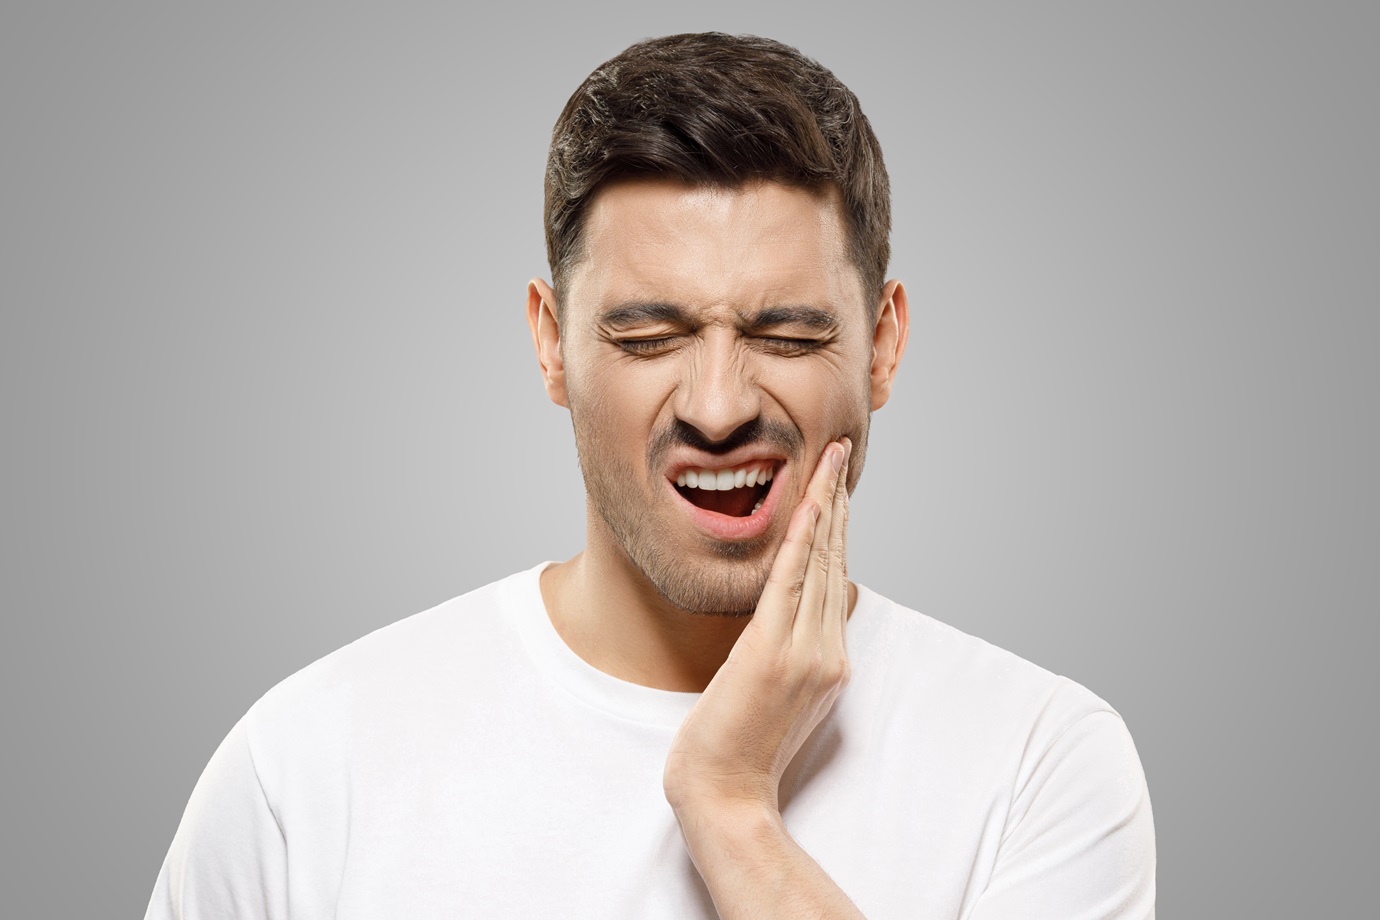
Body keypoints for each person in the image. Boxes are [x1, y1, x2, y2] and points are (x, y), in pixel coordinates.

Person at [145, 32, 1155, 919]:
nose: (717, 407)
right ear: (550, 342)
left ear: (884, 344)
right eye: (648, 335)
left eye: (788, 332)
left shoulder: (1039, 761)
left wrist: (730, 807)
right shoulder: (307, 768)